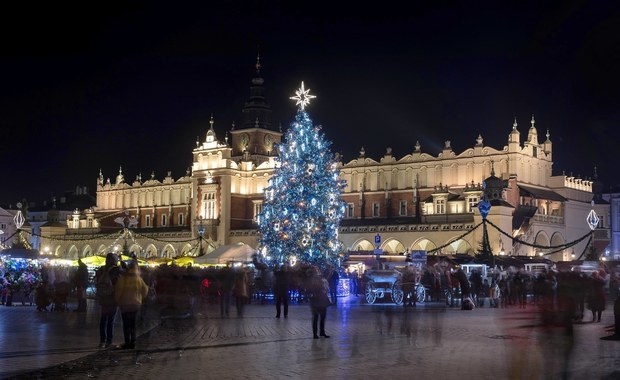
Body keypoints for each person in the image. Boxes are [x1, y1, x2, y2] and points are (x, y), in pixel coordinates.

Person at [114, 260, 149, 349]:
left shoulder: (123, 279)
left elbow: (119, 291)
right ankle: (133, 342)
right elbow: (145, 290)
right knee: (133, 324)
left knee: (126, 324)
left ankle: (127, 342)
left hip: (125, 304)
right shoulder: (139, 279)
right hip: (135, 304)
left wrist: (118, 301)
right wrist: (140, 298)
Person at [95, 253, 121, 348]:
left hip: (103, 298)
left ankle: (102, 341)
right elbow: (119, 283)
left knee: (103, 319)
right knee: (110, 320)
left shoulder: (102, 269)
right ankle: (109, 342)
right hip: (113, 298)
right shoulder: (116, 270)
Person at [308, 266, 331, 339]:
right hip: (315, 299)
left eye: (317, 270)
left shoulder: (321, 279)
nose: (317, 271)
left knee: (322, 317)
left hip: (322, 299)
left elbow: (326, 288)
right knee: (316, 317)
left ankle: (322, 332)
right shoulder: (311, 279)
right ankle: (315, 333)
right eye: (315, 270)